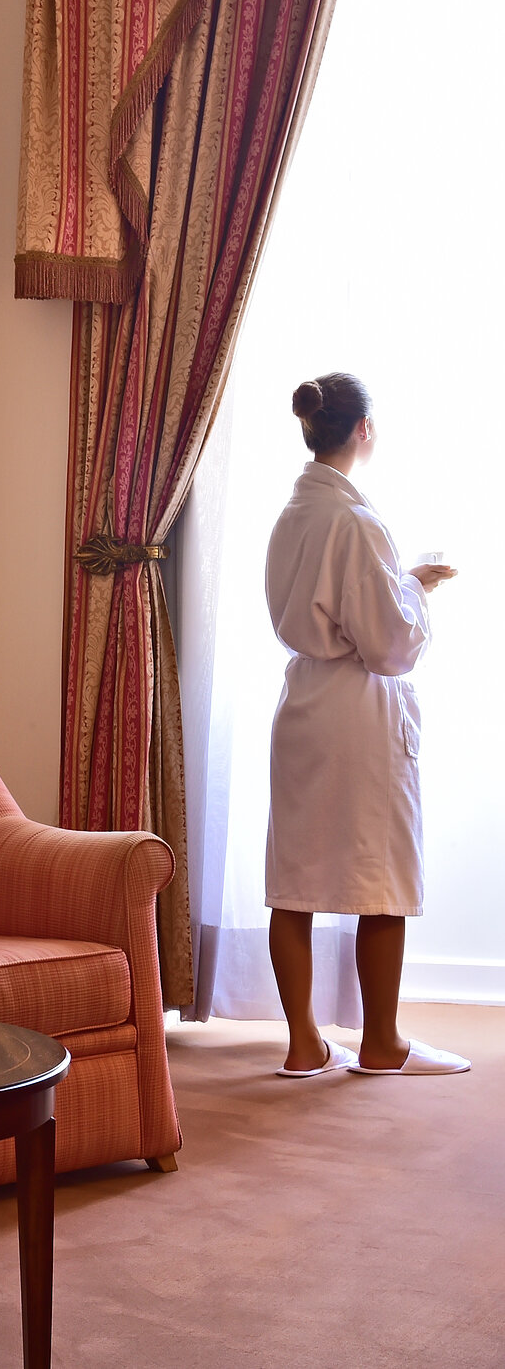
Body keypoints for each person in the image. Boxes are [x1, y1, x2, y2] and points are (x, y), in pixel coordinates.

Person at [264, 372, 470, 1077]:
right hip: (355, 712)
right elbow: (386, 645)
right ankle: (380, 1043)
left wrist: (397, 583)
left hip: (303, 707)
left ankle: (303, 1044)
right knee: (378, 875)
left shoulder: (294, 513)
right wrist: (414, 586)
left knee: (294, 880)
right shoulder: (353, 521)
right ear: (362, 430)